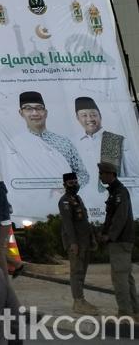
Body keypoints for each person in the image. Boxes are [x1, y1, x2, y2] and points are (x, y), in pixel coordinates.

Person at [5, 91, 87, 185]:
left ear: (46, 112)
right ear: (21, 113)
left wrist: (67, 187)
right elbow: (14, 177)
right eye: (28, 108)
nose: (35, 113)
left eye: (39, 108)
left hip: (65, 197)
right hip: (32, 198)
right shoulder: (16, 145)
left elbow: (82, 174)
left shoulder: (64, 142)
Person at [99, 161, 139, 316]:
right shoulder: (115, 191)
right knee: (126, 277)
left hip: (120, 241)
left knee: (119, 278)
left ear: (111, 174)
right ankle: (134, 309)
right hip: (121, 240)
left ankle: (125, 312)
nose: (100, 176)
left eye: (102, 173)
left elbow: (120, 217)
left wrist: (110, 235)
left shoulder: (120, 192)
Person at [59, 171, 99, 315]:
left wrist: (92, 238)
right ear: (65, 184)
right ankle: (78, 301)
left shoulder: (77, 198)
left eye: (75, 182)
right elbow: (68, 224)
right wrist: (73, 244)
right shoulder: (64, 201)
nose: (74, 185)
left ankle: (81, 299)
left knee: (82, 271)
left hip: (85, 241)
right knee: (76, 272)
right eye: (71, 183)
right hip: (75, 243)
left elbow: (85, 220)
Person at [75, 97, 138, 183]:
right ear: (78, 118)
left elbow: (133, 177)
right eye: (84, 115)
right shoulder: (74, 143)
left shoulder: (117, 140)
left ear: (100, 116)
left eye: (93, 114)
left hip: (114, 193)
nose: (89, 119)